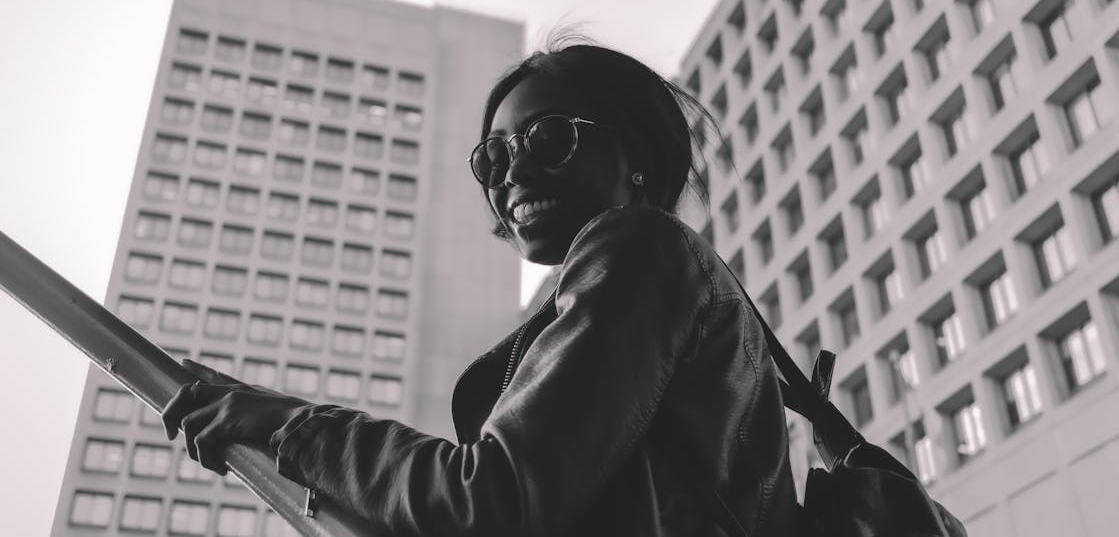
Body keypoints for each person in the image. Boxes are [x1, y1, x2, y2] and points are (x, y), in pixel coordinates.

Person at [163, 37, 798, 536]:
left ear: (637, 155)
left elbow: (490, 500)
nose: (513, 169)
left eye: (548, 137)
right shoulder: (652, 281)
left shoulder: (638, 247)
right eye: (491, 158)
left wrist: (293, 426)